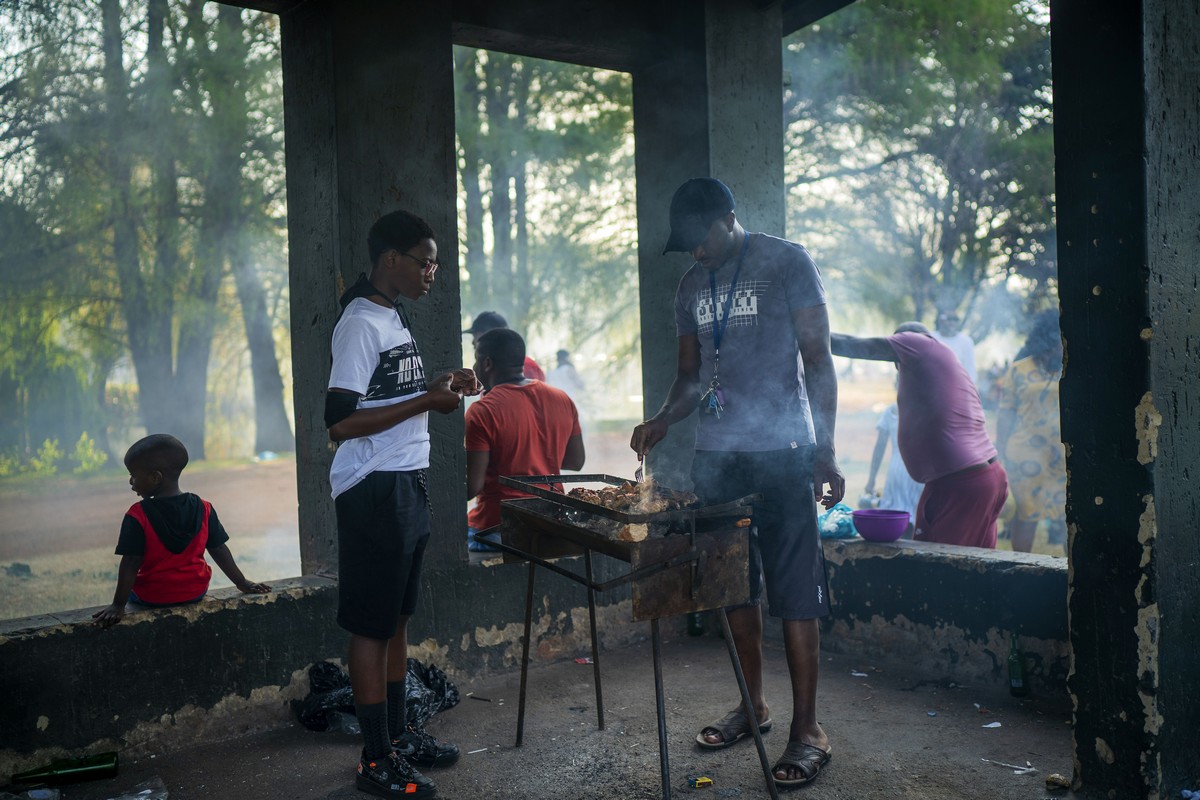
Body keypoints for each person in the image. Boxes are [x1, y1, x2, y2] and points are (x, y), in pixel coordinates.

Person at [630, 177, 844, 787]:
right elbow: (691, 377)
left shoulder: (786, 262)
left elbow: (818, 360)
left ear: (729, 218)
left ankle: (809, 729)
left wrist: (825, 450)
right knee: (731, 585)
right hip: (718, 457)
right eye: (688, 246)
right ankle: (753, 707)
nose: (696, 253)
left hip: (784, 450)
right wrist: (664, 419)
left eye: (702, 240)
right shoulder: (692, 284)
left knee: (795, 589)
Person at [325, 209, 481, 799]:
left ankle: (397, 736)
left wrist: (436, 385)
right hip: (373, 486)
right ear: (391, 259)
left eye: (434, 262)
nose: (432, 272)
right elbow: (339, 420)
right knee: (371, 626)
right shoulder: (362, 321)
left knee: (396, 621)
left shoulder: (392, 314)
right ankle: (375, 760)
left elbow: (384, 394)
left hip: (404, 479)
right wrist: (426, 405)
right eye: (425, 261)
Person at [831, 322, 1008, 548]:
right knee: (977, 570)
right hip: (987, 479)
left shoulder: (919, 344)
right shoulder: (945, 363)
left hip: (959, 484)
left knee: (938, 569)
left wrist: (802, 327)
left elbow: (851, 345)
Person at [92, 434, 270, 629]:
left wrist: (118, 605)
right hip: (195, 592)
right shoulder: (204, 508)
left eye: (133, 475)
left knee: (137, 590)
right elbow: (219, 549)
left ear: (155, 477)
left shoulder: (137, 515)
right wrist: (242, 582)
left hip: (152, 596)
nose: (130, 481)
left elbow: (131, 562)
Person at [465, 329, 585, 551]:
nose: (473, 367)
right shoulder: (562, 399)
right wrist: (536, 456)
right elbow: (576, 462)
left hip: (497, 527)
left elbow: (472, 487)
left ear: (487, 363)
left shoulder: (482, 410)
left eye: (476, 360)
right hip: (551, 521)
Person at [995, 310, 1066, 553]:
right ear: (1047, 337)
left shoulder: (1073, 366)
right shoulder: (1019, 369)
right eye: (1058, 338)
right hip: (1025, 455)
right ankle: (1020, 569)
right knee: (1027, 513)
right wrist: (999, 449)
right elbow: (1006, 412)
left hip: (1064, 457)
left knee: (1069, 514)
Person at [864, 402, 924, 533]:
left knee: (896, 523)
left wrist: (871, 479)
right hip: (918, 472)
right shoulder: (925, 408)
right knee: (916, 524)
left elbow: (880, 447)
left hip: (896, 473)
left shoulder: (891, 411)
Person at [463, 311, 546, 381]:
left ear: (493, 336)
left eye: (476, 336)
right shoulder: (491, 372)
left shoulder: (524, 367)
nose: (473, 343)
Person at [932, 310, 978, 385]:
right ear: (941, 321)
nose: (952, 322)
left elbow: (970, 367)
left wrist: (969, 387)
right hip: (933, 383)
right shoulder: (931, 338)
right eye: (949, 319)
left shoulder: (966, 341)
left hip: (957, 385)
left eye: (955, 319)